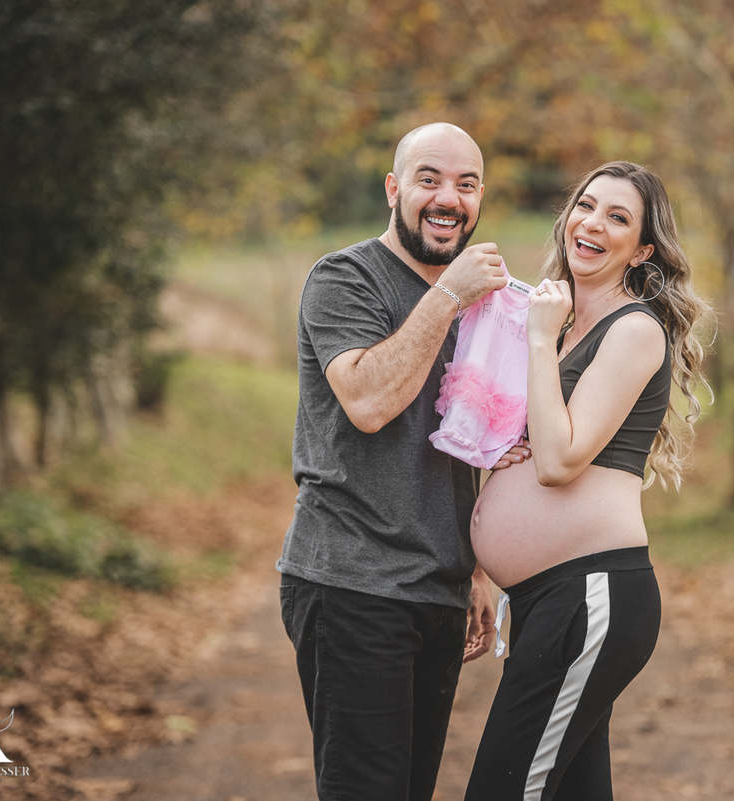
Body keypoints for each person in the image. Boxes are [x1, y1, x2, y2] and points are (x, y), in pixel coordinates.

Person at [276, 122, 529, 801]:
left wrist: (473, 567)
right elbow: (367, 399)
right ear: (394, 189)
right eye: (430, 179)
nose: (449, 198)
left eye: (467, 184)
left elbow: (475, 439)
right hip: (352, 584)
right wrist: (448, 297)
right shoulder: (343, 277)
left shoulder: (483, 309)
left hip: (436, 591)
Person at [464, 161, 711, 801]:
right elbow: (518, 443)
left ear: (642, 251)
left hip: (592, 595)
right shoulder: (563, 323)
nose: (592, 224)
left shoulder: (633, 330)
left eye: (618, 218)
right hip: (552, 599)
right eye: (586, 205)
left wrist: (541, 341)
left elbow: (559, 460)